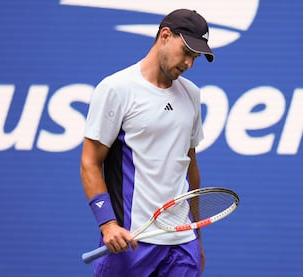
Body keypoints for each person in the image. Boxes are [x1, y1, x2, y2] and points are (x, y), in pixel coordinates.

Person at [80, 8, 214, 276]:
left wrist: (196, 236)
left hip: (181, 243)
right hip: (130, 242)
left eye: (195, 58)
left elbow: (190, 168)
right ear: (165, 36)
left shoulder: (191, 94)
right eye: (186, 53)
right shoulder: (116, 88)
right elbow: (90, 163)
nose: (189, 64)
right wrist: (107, 224)